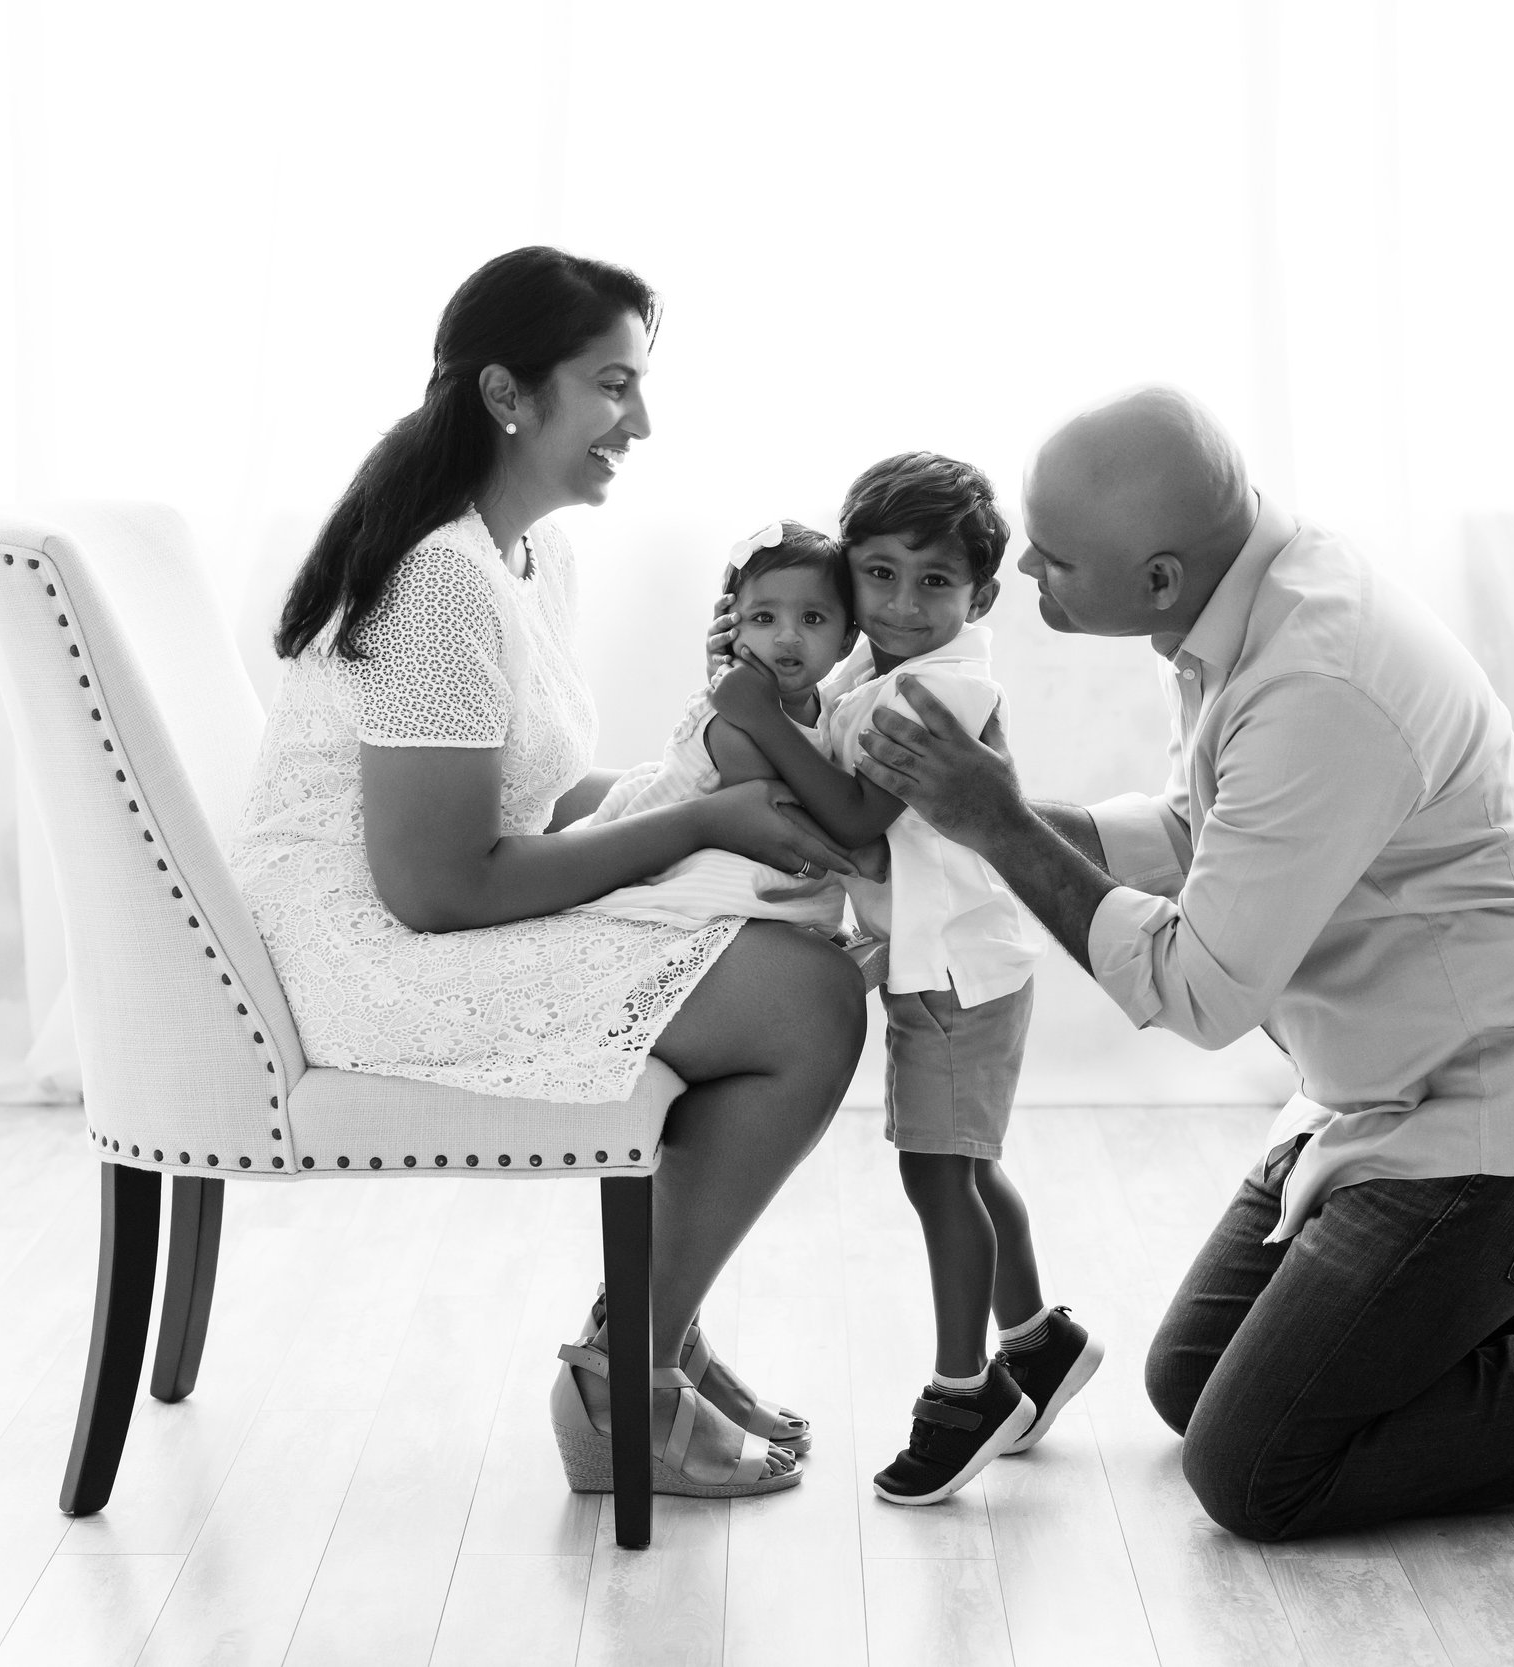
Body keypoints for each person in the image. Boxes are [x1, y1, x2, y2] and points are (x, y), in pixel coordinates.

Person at [848, 387, 1514, 1539]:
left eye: (1051, 559)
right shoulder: (1241, 598)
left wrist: (997, 825)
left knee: (1256, 1471)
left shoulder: (1319, 678)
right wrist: (975, 811)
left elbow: (1200, 990)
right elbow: (1211, 831)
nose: (1025, 574)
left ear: (1157, 576)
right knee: (1193, 1381)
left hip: (1497, 1126)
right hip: (1381, 1094)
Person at [227, 247, 865, 1500]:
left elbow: (528, 798)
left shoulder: (522, 554)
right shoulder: (435, 582)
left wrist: (704, 792)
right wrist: (698, 827)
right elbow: (436, 886)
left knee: (800, 957)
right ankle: (626, 1374)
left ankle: (651, 1336)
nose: (641, 421)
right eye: (611, 384)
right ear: (509, 394)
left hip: (420, 906)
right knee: (806, 1002)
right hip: (363, 950)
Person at [708, 452, 1103, 1507]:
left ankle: (962, 1388)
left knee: (938, 1177)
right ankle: (1041, 1341)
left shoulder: (935, 690)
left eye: (934, 582)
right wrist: (769, 672)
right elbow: (810, 719)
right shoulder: (869, 668)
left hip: (955, 969)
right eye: (877, 575)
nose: (900, 602)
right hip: (943, 958)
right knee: (965, 1167)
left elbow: (848, 817)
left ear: (981, 596)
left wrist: (753, 709)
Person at [580, 519, 863, 934]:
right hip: (672, 858)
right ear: (731, 629)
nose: (787, 636)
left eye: (813, 618)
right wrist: (860, 850)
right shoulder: (729, 720)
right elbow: (773, 815)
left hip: (752, 851)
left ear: (846, 640)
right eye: (764, 618)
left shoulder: (832, 707)